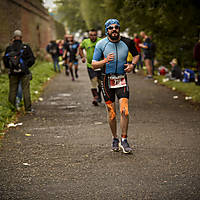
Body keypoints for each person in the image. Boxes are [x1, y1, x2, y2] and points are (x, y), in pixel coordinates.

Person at [92, 19, 139, 154]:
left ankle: (124, 139)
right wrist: (105, 61)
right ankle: (114, 138)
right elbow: (94, 64)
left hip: (121, 79)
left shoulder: (127, 42)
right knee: (112, 114)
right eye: (111, 28)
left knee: (125, 110)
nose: (114, 30)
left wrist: (132, 65)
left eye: (116, 27)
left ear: (119, 29)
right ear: (107, 30)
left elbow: (136, 55)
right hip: (107, 80)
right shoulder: (101, 44)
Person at [3, 30, 35, 113]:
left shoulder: (9, 48)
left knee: (12, 90)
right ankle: (28, 109)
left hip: (13, 72)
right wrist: (26, 66)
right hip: (24, 72)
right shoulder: (25, 47)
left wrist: (10, 67)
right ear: (21, 37)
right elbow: (32, 59)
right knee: (26, 90)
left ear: (13, 38)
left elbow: (5, 60)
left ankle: (12, 109)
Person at [79, 29, 102, 106]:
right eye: (91, 35)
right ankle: (95, 97)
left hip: (100, 65)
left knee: (100, 83)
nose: (93, 37)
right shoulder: (85, 41)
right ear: (89, 36)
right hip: (90, 65)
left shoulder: (101, 41)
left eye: (94, 35)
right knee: (93, 81)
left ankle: (99, 95)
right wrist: (82, 57)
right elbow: (80, 48)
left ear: (97, 35)